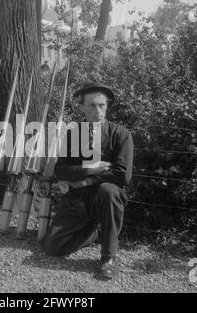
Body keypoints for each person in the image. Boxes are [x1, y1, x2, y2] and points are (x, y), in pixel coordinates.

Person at [41, 82, 134, 280]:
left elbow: (123, 175)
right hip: (78, 199)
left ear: (107, 106)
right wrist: (90, 168)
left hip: (106, 198)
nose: (97, 110)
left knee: (109, 190)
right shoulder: (74, 134)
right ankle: (92, 232)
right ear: (82, 106)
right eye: (91, 105)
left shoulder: (121, 134)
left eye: (101, 105)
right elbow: (61, 170)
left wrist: (86, 181)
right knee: (52, 247)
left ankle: (109, 258)